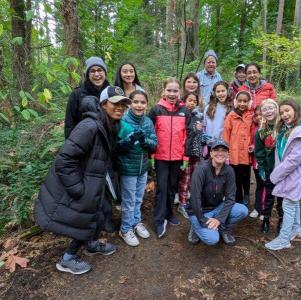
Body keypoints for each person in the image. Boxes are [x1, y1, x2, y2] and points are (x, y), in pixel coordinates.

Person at [35, 87, 131, 275]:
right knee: (84, 219)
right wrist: (79, 189)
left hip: (95, 182)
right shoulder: (89, 126)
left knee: (98, 214)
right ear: (103, 104)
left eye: (122, 105)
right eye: (115, 103)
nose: (120, 108)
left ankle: (92, 244)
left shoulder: (107, 125)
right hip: (84, 185)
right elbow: (64, 160)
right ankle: (67, 259)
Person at [265, 99, 301, 251]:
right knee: (293, 200)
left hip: (296, 173)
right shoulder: (289, 128)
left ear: (296, 110)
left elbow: (293, 160)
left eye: (287, 111)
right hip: (291, 173)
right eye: (282, 112)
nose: (284, 115)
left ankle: (284, 239)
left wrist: (275, 175)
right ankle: (296, 229)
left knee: (288, 204)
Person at [148, 77, 191, 238]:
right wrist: (151, 154)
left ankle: (169, 214)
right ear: (164, 91)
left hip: (178, 157)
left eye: (175, 91)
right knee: (162, 188)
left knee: (172, 187)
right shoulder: (156, 110)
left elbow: (188, 134)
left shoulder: (185, 111)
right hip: (160, 156)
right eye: (169, 90)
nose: (172, 93)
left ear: (180, 92)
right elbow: (150, 133)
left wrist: (185, 156)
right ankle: (159, 220)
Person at [186, 139, 248, 246]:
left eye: (223, 151)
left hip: (217, 207)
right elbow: (195, 198)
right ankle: (195, 226)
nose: (220, 153)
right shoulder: (202, 169)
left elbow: (230, 197)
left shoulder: (229, 171)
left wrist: (219, 219)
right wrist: (202, 219)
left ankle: (223, 229)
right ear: (211, 153)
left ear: (227, 154)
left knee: (242, 210)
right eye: (216, 150)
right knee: (212, 239)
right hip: (199, 211)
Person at [116, 90, 157, 246]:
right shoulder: (123, 120)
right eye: (136, 102)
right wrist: (129, 139)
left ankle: (135, 222)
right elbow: (117, 147)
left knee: (139, 198)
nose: (139, 105)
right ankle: (125, 229)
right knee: (129, 200)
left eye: (143, 102)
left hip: (143, 167)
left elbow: (154, 145)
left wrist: (144, 140)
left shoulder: (148, 122)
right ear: (130, 103)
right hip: (128, 168)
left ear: (147, 104)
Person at [254, 99, 283, 235]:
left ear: (277, 109)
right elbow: (259, 152)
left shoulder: (284, 127)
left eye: (271, 108)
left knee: (282, 196)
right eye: (265, 109)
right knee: (270, 195)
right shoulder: (261, 131)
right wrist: (261, 167)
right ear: (262, 113)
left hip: (284, 168)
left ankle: (281, 221)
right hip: (270, 168)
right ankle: (266, 219)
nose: (269, 111)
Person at [64, 56, 110, 138]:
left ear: (105, 73)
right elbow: (69, 124)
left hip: (107, 141)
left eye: (100, 70)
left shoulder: (110, 92)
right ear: (88, 75)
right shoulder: (77, 94)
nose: (96, 74)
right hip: (84, 142)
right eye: (92, 71)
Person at [177, 92, 205, 219]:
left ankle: (191, 201)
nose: (192, 103)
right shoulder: (182, 114)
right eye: (190, 100)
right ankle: (182, 203)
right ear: (184, 100)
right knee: (185, 178)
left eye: (195, 101)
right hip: (186, 153)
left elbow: (199, 135)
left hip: (196, 152)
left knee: (195, 178)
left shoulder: (198, 116)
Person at [223, 91, 253, 205]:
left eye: (245, 101)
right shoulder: (230, 116)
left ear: (249, 103)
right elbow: (226, 135)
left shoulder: (251, 116)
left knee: (246, 175)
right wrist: (226, 152)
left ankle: (246, 194)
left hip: (246, 153)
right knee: (235, 177)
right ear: (236, 102)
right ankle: (238, 196)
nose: (242, 103)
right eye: (240, 101)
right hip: (234, 153)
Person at [204, 81, 233, 145]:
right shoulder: (208, 108)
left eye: (223, 91)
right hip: (210, 143)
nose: (221, 93)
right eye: (218, 92)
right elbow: (204, 125)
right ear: (214, 93)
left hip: (225, 143)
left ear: (227, 91)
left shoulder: (232, 108)